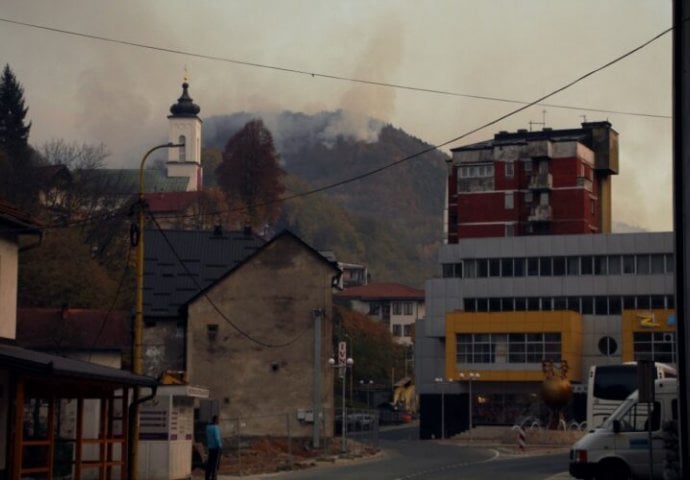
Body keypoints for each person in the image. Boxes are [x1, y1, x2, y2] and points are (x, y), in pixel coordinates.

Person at [205, 415, 222, 480]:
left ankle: (207, 477)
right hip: (216, 448)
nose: (219, 421)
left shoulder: (208, 428)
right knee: (215, 464)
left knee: (210, 463)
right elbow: (217, 438)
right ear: (215, 420)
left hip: (210, 447)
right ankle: (214, 478)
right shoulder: (215, 427)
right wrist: (220, 446)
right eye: (218, 420)